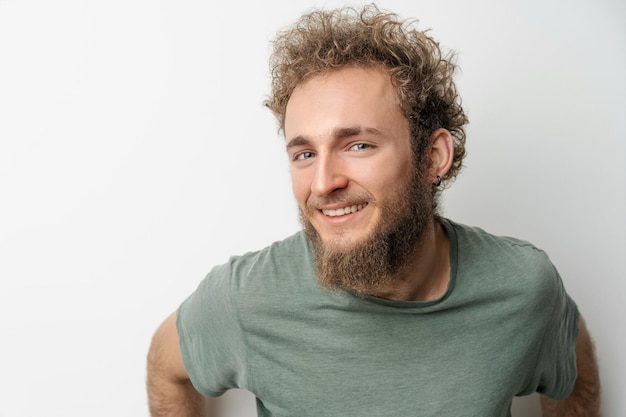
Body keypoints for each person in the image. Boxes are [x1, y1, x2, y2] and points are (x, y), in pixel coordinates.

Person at [146, 5, 601, 416]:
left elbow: (574, 376)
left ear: (433, 156)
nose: (323, 183)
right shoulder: (243, 299)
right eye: (304, 154)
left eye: (358, 145)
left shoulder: (523, 287)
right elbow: (166, 366)